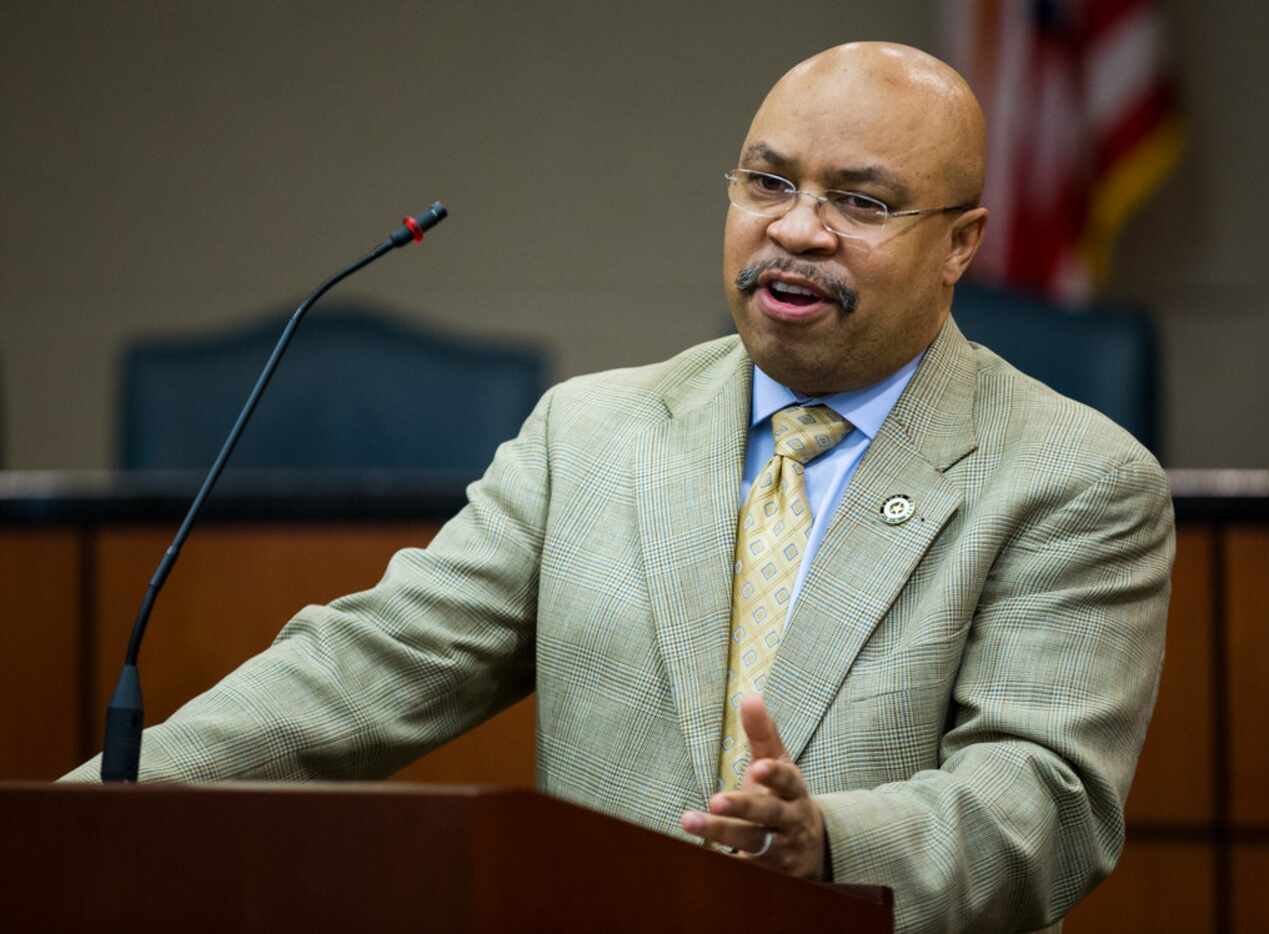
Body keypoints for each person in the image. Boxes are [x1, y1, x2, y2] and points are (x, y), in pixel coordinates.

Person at [66, 42, 1174, 933]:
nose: (795, 228)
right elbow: (366, 668)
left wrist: (828, 840)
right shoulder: (589, 434)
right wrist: (84, 820)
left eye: (862, 202)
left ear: (962, 243)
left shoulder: (1071, 478)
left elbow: (1047, 805)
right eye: (768, 182)